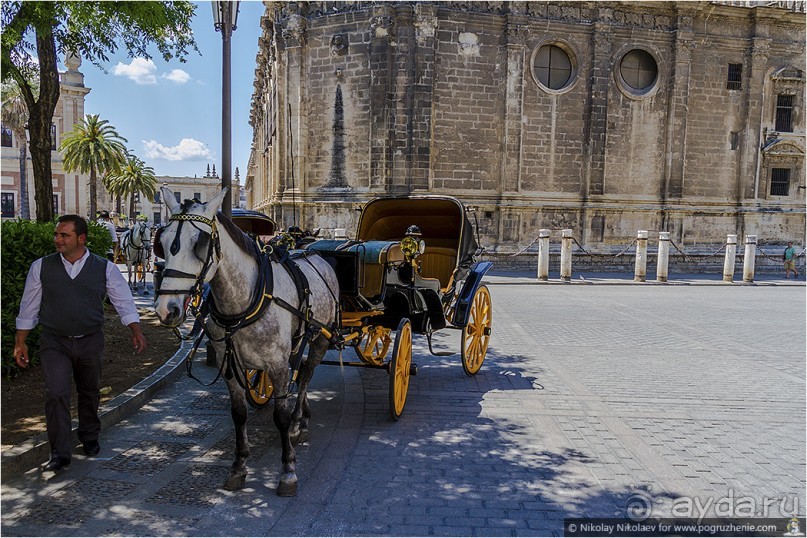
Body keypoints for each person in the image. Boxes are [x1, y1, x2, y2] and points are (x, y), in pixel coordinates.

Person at [13, 214, 147, 473]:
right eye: (56, 234)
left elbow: (123, 301)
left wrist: (135, 330)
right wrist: (21, 341)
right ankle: (60, 453)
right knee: (56, 394)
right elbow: (28, 306)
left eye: (64, 235)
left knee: (89, 391)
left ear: (81, 239)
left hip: (90, 340)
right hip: (55, 342)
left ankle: (89, 436)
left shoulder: (104, 267)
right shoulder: (41, 267)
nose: (57, 239)